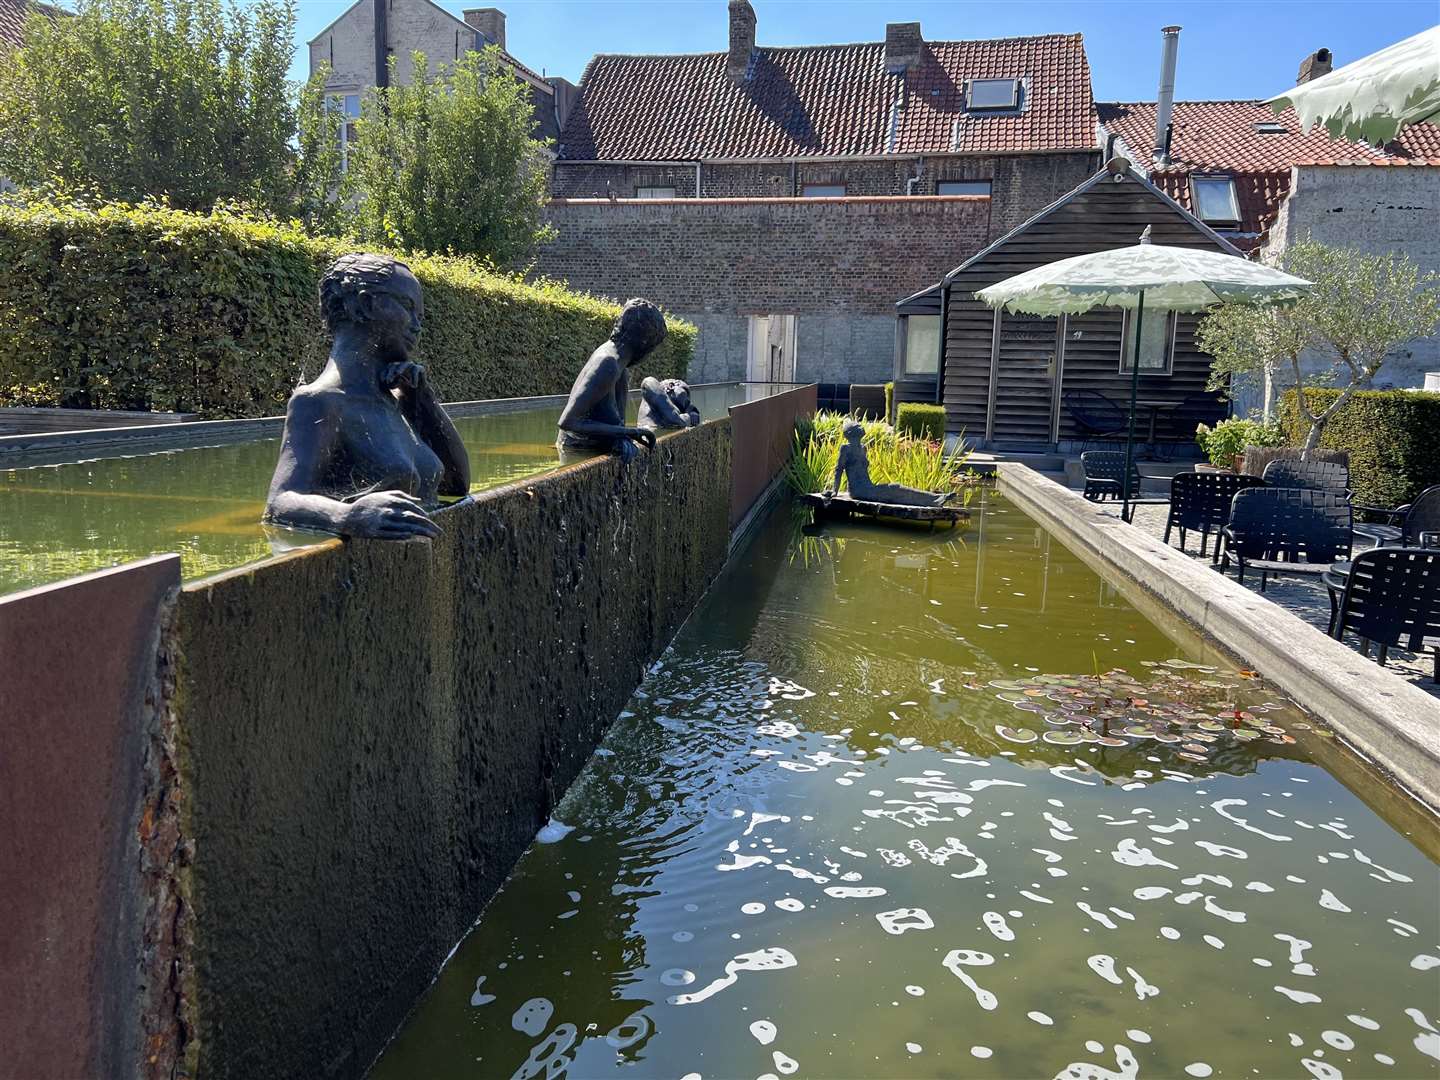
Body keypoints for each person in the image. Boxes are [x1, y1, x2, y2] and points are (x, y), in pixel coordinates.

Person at [264, 254, 471, 540]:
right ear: (365, 304)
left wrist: (422, 398)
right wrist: (347, 516)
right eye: (408, 307)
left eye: (420, 316)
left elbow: (456, 485)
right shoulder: (318, 401)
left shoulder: (398, 402)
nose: (417, 325)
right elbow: (280, 502)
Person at [556, 299, 668, 462]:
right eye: (652, 348)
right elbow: (568, 422)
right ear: (644, 342)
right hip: (577, 451)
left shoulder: (620, 366)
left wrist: (622, 436)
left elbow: (617, 423)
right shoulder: (608, 363)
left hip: (591, 447)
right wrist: (632, 433)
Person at [823, 419, 952, 507]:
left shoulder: (863, 448)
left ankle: (934, 499)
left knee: (895, 489)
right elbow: (838, 470)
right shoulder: (845, 449)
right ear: (850, 433)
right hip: (859, 491)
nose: (861, 427)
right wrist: (835, 491)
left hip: (868, 487)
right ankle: (933, 500)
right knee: (895, 488)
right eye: (857, 427)